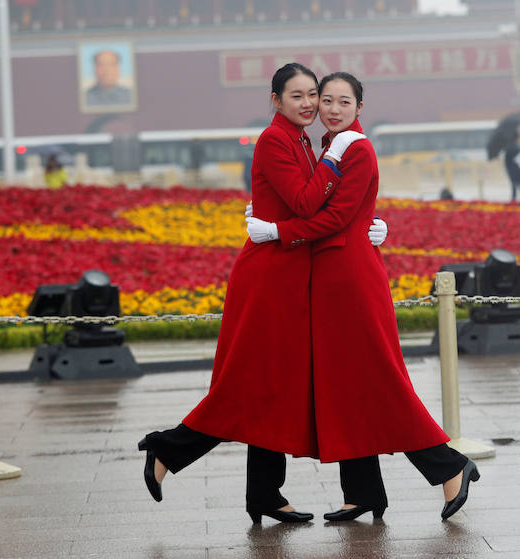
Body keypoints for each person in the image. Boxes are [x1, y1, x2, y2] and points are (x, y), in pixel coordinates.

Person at [136, 64, 384, 525]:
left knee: (272, 388)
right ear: (276, 100)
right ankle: (166, 449)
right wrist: (332, 162)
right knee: (250, 386)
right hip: (271, 277)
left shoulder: (303, 141)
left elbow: (323, 202)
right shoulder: (277, 141)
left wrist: (368, 223)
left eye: (313, 94)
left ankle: (264, 494)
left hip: (291, 274)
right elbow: (307, 203)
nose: (310, 104)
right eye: (297, 96)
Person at [246, 72, 480, 522]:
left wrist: (276, 231)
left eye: (342, 101)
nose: (331, 109)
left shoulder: (354, 148)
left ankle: (449, 466)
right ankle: (364, 492)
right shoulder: (326, 147)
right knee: (349, 386)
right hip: (334, 278)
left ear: (358, 108)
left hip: (350, 280)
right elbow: (316, 199)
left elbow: (331, 217)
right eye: (325, 99)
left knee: (379, 382)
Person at [504, 132, 520, 202]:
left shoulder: (508, 148)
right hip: (519, 172)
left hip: (512, 172)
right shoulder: (517, 148)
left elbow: (506, 162)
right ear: (516, 138)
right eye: (519, 138)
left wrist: (509, 171)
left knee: (514, 189)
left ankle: (513, 203)